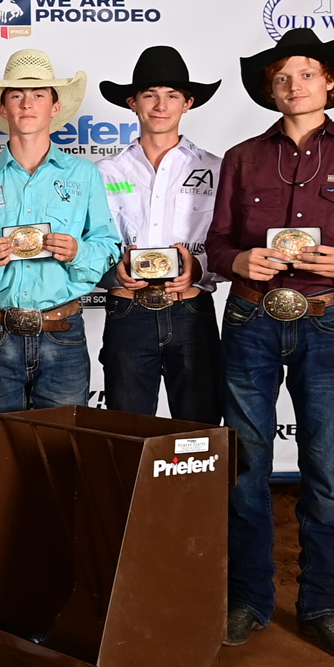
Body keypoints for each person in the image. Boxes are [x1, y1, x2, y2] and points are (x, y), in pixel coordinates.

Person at [207, 28, 334, 661]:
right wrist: (240, 258)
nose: (294, 86)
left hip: (324, 322)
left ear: (332, 83)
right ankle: (249, 600)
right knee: (246, 468)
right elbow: (215, 246)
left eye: (306, 74)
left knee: (326, 471)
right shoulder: (241, 157)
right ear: (270, 90)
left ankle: (322, 605)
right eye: (282, 78)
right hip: (249, 319)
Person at [0, 49, 120, 422]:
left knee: (63, 447)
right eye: (16, 95)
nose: (27, 103)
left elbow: (109, 246)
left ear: (55, 108)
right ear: (3, 109)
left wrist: (78, 250)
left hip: (63, 331)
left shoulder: (84, 175)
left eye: (39, 94)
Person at [94, 45, 225, 424]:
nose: (160, 105)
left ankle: (197, 487)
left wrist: (198, 270)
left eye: (172, 96)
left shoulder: (218, 169)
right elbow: (93, 245)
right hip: (127, 310)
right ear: (133, 103)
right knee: (126, 428)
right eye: (150, 95)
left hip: (191, 310)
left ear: (188, 104)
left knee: (200, 426)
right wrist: (112, 273)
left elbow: (228, 241)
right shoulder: (104, 172)